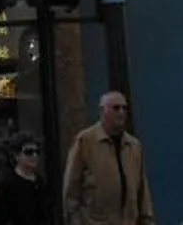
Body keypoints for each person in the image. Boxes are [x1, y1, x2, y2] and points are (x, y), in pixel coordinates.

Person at [60, 93, 148, 225]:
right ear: (102, 111)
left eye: (124, 108)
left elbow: (142, 190)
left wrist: (147, 220)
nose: (121, 112)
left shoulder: (133, 146)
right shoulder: (86, 141)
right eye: (116, 108)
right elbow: (71, 189)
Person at [0, 135, 51, 225]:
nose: (34, 155)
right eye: (28, 152)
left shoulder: (40, 182)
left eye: (37, 152)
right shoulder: (7, 184)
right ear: (16, 155)